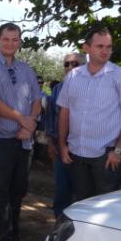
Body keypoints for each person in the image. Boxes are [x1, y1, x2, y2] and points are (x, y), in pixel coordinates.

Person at [0, 23, 42, 241]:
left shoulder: (26, 68)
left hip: (24, 142)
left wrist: (31, 123)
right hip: (0, 140)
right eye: (6, 39)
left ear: (19, 42)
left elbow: (37, 98)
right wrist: (22, 120)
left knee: (18, 192)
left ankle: (15, 236)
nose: (10, 43)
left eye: (15, 39)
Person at [57, 28, 121, 201]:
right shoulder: (73, 76)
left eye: (109, 47)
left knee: (105, 207)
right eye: (100, 46)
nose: (105, 51)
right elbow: (64, 111)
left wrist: (118, 151)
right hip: (76, 154)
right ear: (86, 48)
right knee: (81, 203)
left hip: (106, 156)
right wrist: (62, 144)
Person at [44, 53, 86, 217]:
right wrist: (50, 143)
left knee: (82, 191)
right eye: (66, 64)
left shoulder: (94, 87)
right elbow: (50, 117)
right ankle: (59, 226)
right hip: (61, 147)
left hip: (85, 149)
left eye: (74, 64)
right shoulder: (58, 88)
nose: (69, 67)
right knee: (62, 189)